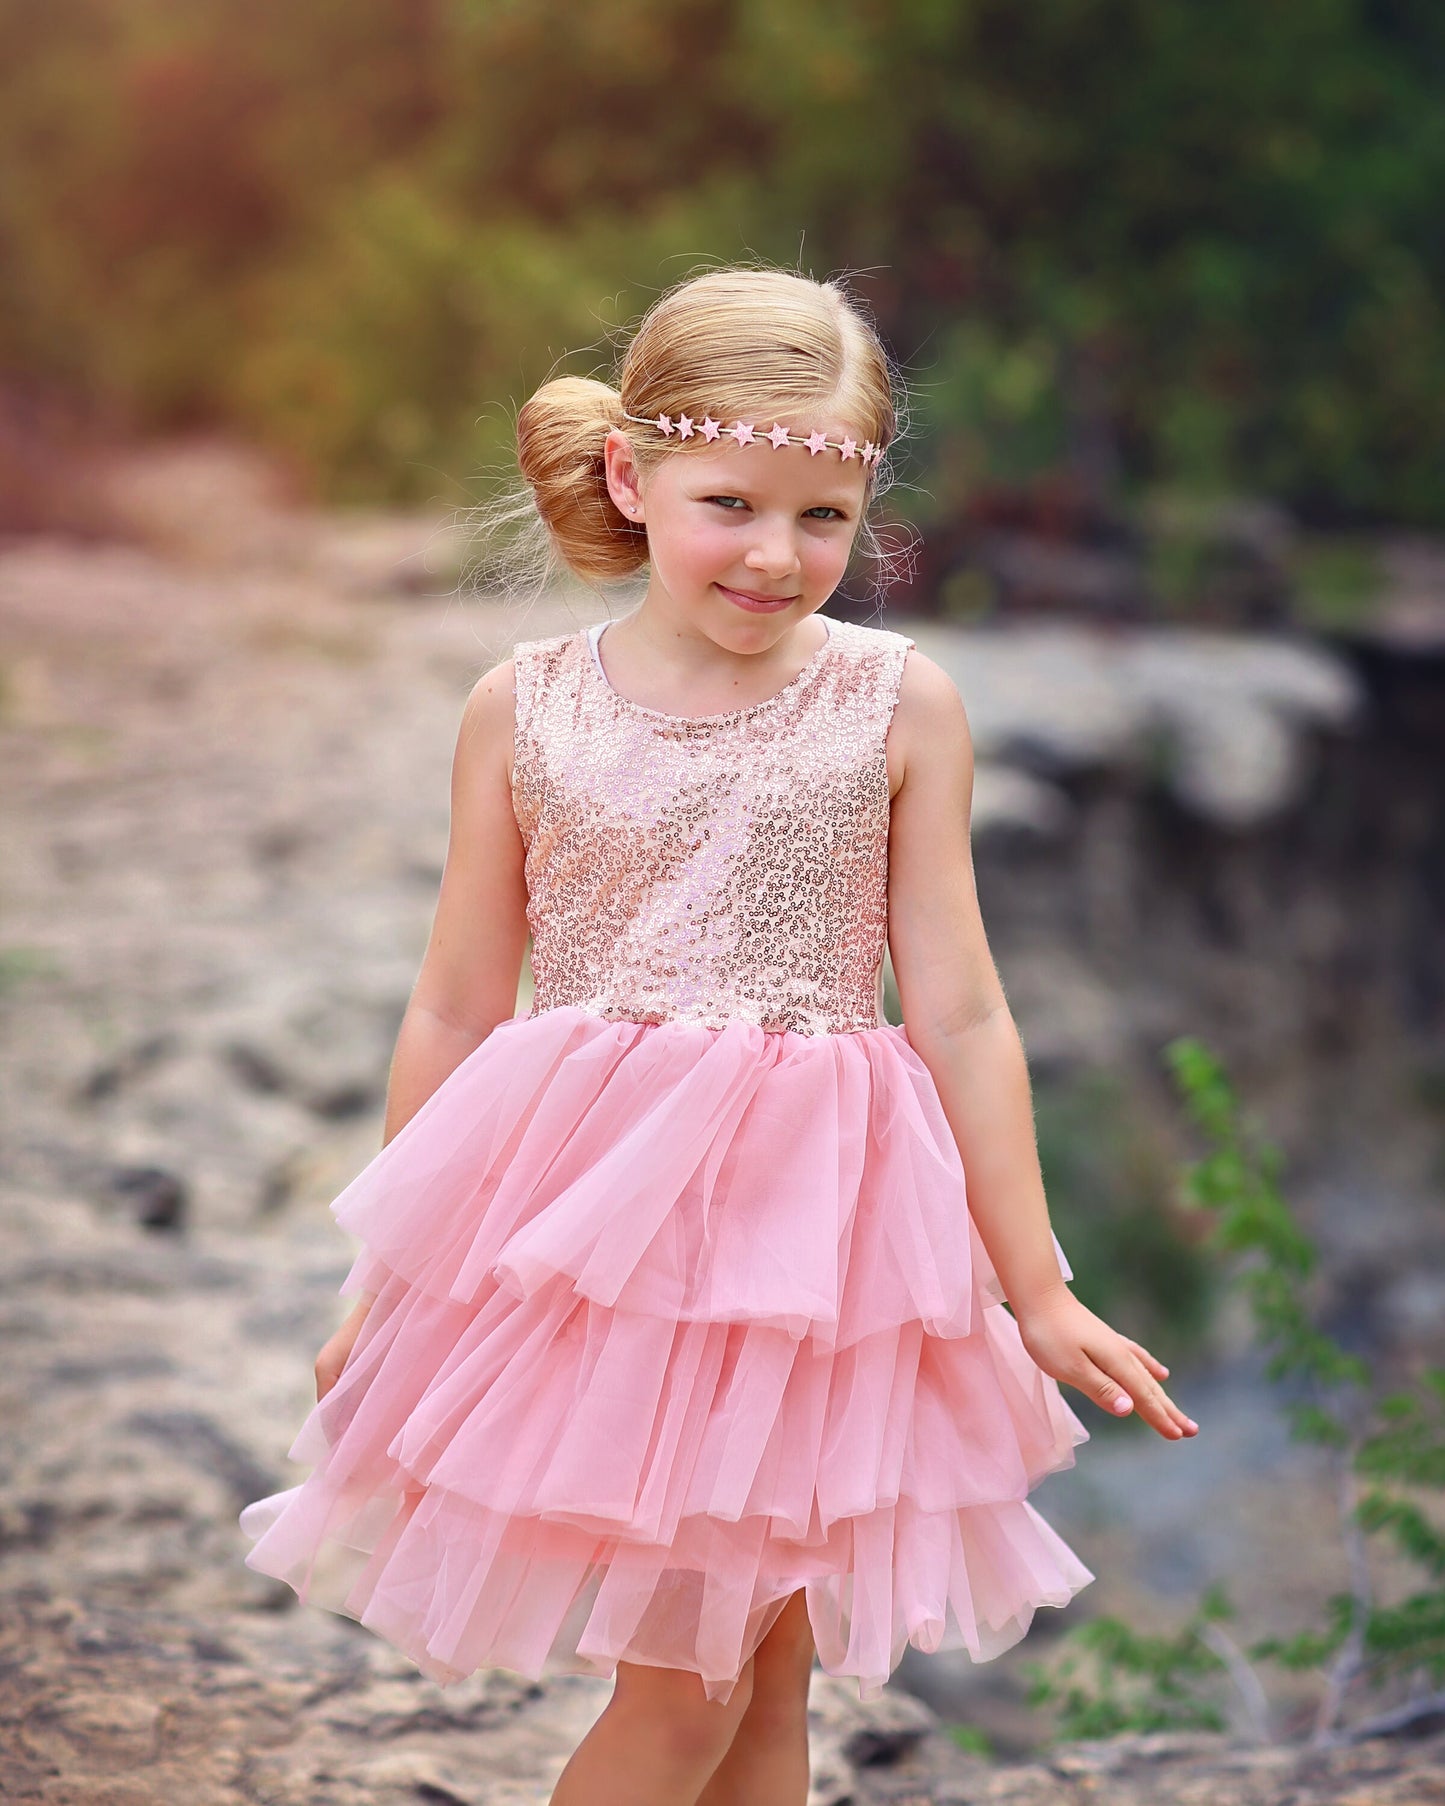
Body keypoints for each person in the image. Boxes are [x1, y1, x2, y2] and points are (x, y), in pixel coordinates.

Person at [239, 265, 1198, 1806]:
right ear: (632, 475)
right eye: (729, 504)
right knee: (684, 1695)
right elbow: (455, 1003)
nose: (777, 554)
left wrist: (1034, 1286)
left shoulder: (897, 704)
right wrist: (396, 1279)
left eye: (822, 518)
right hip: (608, 1255)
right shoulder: (526, 706)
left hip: (815, 1267)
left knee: (765, 1695)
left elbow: (955, 1002)